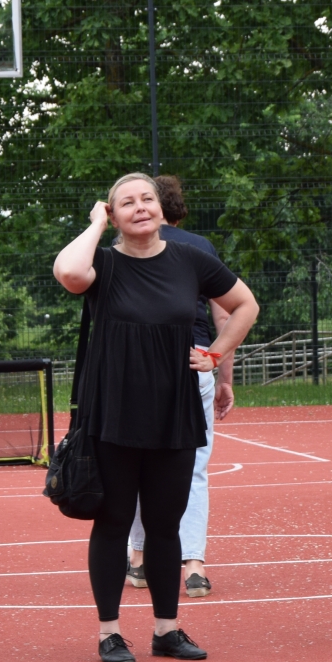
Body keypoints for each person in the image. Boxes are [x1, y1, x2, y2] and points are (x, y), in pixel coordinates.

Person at [53, 173, 258, 662]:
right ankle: (109, 633)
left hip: (174, 409)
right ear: (113, 214)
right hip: (114, 409)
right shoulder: (102, 263)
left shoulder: (190, 260)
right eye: (126, 202)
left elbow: (245, 304)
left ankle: (167, 629)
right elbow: (69, 272)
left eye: (147, 199)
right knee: (114, 522)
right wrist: (96, 225)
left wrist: (215, 354)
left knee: (166, 524)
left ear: (162, 210)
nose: (140, 207)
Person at [125, 175, 235, 599]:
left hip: (140, 365)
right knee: (195, 468)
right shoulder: (199, 247)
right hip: (195, 358)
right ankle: (194, 566)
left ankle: (139, 559)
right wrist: (222, 372)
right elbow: (225, 314)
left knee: (136, 464)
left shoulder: (124, 247)